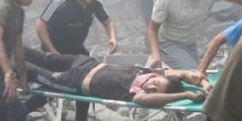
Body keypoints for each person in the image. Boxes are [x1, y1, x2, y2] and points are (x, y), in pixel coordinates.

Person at [35, 0, 118, 121]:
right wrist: (52, 52)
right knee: (50, 89)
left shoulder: (95, 2)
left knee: (85, 86)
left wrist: (113, 38)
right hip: (55, 52)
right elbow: (40, 25)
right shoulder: (61, 2)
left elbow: (108, 21)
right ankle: (21, 113)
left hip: (77, 50)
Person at [25, 48, 208, 107]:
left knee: (31, 71)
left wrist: (185, 95)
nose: (152, 86)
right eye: (156, 82)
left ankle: (6, 63)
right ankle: (11, 41)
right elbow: (186, 74)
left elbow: (143, 100)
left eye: (155, 90)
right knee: (44, 58)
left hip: (73, 81)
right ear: (158, 76)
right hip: (86, 63)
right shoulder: (151, 73)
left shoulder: (138, 94)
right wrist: (204, 83)